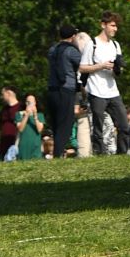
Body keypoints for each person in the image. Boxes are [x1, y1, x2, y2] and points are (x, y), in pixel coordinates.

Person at [80, 11, 129, 156]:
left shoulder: (115, 45)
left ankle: (123, 154)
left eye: (116, 26)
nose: (115, 29)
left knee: (124, 125)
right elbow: (82, 67)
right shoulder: (92, 44)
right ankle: (100, 154)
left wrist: (117, 69)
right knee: (98, 126)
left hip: (113, 90)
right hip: (96, 90)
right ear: (103, 25)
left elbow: (117, 72)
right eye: (113, 25)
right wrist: (101, 66)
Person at [45, 23, 83, 159]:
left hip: (52, 90)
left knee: (56, 124)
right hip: (65, 90)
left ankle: (57, 152)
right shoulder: (71, 51)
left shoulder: (52, 50)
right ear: (73, 36)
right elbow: (83, 65)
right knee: (65, 125)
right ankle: (58, 154)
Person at [14, 93, 47, 160]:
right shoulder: (19, 114)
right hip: (23, 146)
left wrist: (35, 116)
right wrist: (26, 115)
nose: (30, 104)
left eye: (32, 102)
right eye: (28, 102)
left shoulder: (40, 115)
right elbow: (20, 129)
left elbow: (40, 130)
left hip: (36, 146)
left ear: (35, 103)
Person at [0, 87, 23, 162]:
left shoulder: (21, 107)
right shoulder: (4, 109)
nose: (1, 97)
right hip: (4, 143)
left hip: (15, 142)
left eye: (3, 94)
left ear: (8, 93)